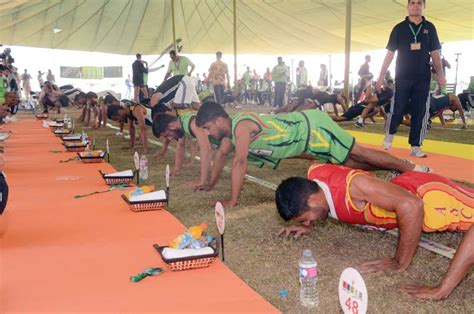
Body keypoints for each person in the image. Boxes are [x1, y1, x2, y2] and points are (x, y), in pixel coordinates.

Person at [275, 164, 473, 298]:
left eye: (305, 219)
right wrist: (305, 223)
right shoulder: (313, 182)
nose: (308, 223)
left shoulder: (353, 187)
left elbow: (411, 206)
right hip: (408, 186)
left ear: (312, 201)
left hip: (432, 197)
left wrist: (401, 263)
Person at [195, 101, 432, 208]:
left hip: (314, 126)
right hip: (309, 140)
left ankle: (412, 168)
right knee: (351, 162)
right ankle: (394, 168)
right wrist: (209, 183)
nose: (208, 133)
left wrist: (233, 200)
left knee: (358, 152)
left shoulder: (240, 125)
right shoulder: (229, 137)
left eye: (207, 128)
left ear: (218, 120)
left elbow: (239, 162)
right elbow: (221, 157)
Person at [377, 0, 445, 158]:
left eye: (419, 3)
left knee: (420, 111)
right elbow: (389, 54)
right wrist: (381, 76)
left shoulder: (430, 27)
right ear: (407, 6)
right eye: (412, 2)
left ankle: (415, 145)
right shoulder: (399, 28)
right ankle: (390, 134)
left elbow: (435, 53)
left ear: (424, 6)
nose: (416, 5)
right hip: (402, 76)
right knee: (398, 108)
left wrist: (441, 75)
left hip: (423, 78)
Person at [152, 111, 213, 186]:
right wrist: (177, 169)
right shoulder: (181, 121)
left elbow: (206, 149)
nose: (170, 138)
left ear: (171, 126)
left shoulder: (192, 123)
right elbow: (181, 145)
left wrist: (202, 181)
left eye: (167, 135)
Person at [403, 93, 467, 129]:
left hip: (428, 104)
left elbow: (440, 112)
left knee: (422, 124)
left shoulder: (445, 100)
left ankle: (401, 119)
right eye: (454, 108)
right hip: (428, 105)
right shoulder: (453, 97)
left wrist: (444, 124)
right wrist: (465, 123)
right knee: (419, 123)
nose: (450, 109)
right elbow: (460, 110)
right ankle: (399, 120)